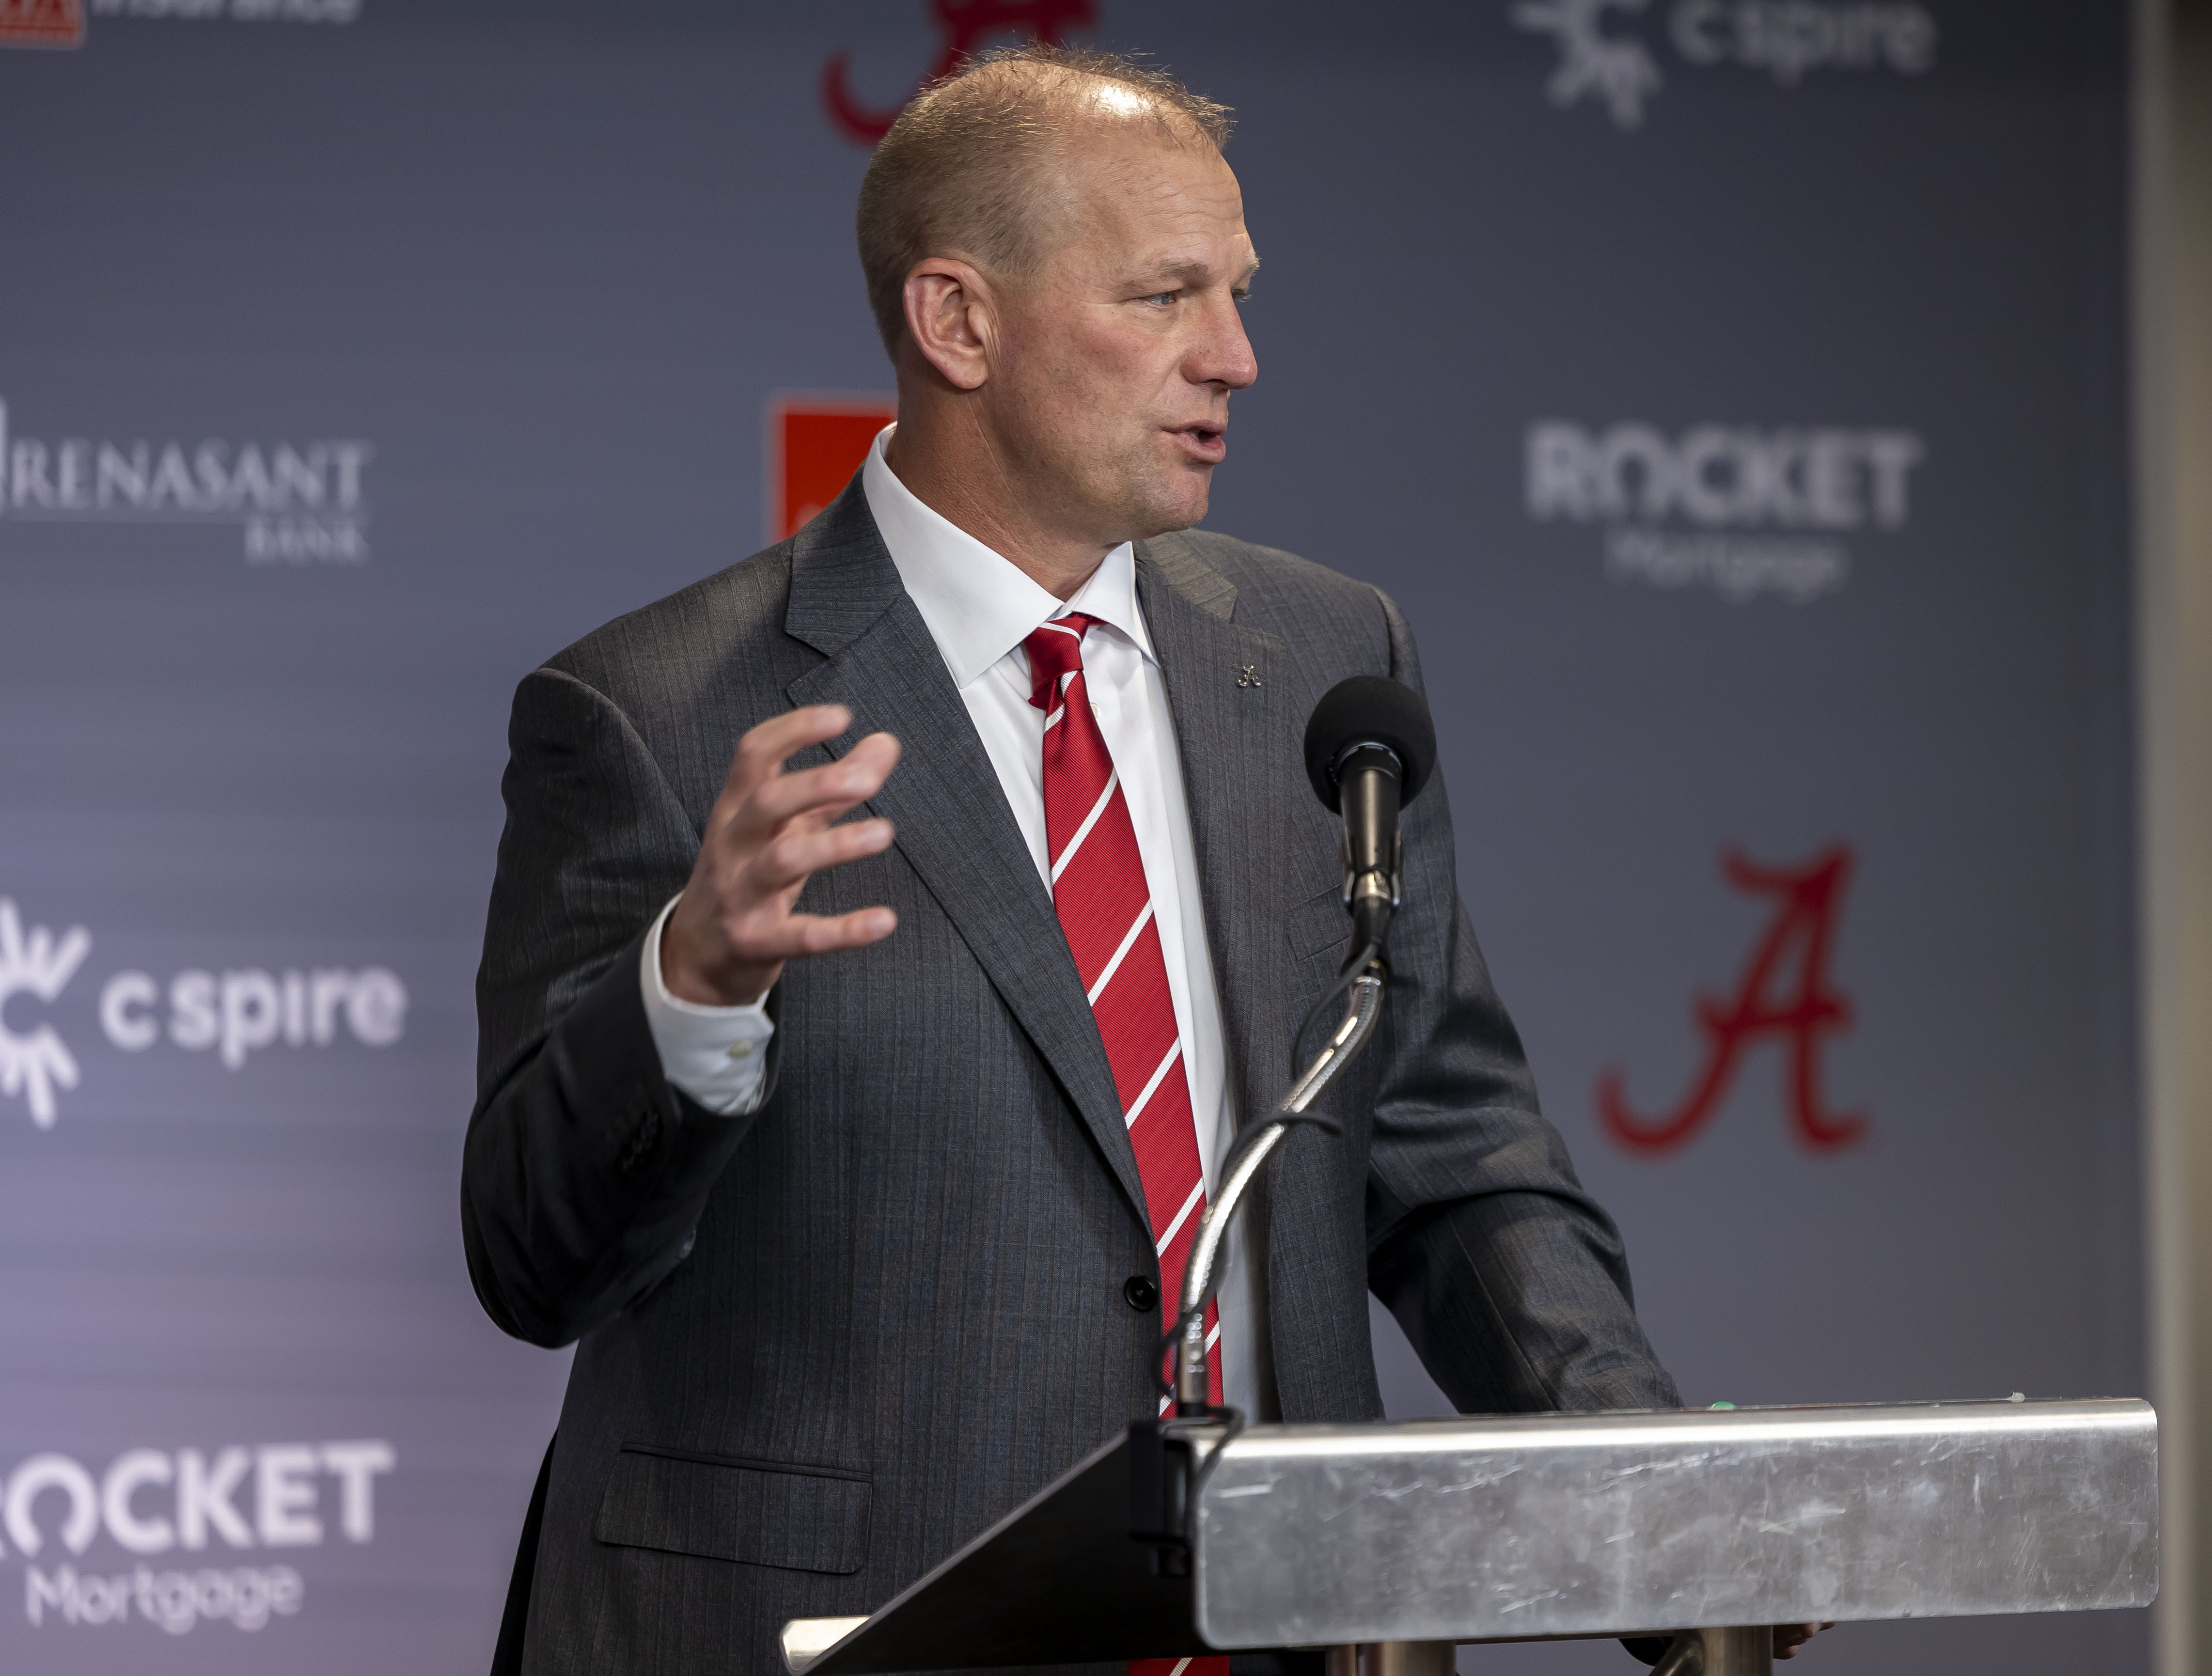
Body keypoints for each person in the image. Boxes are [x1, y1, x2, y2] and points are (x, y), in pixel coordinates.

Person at [462, 43, 1820, 1676]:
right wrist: (692, 988)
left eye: (1238, 293)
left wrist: (1653, 1507)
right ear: (958, 323)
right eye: (1167, 296)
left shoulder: (1328, 659)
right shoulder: (654, 712)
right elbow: (535, 1259)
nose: (1236, 357)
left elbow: (1452, 1156)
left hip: (1295, 1634)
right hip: (823, 1628)